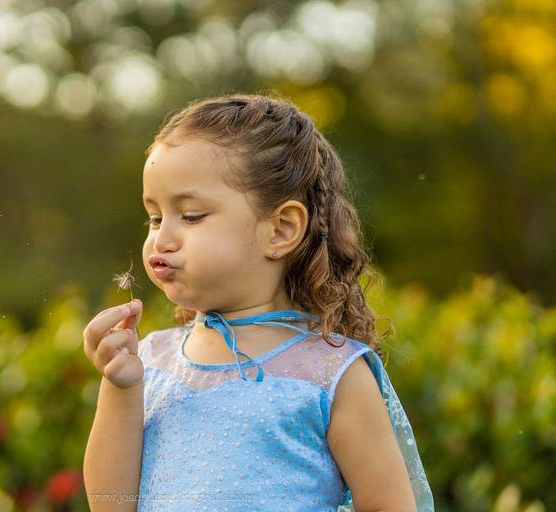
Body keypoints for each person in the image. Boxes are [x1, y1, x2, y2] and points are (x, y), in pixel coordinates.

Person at [83, 93, 434, 511]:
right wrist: (120, 389)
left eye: (191, 216)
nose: (162, 238)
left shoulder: (329, 373)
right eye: (155, 217)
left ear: (281, 230)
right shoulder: (153, 361)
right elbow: (111, 505)